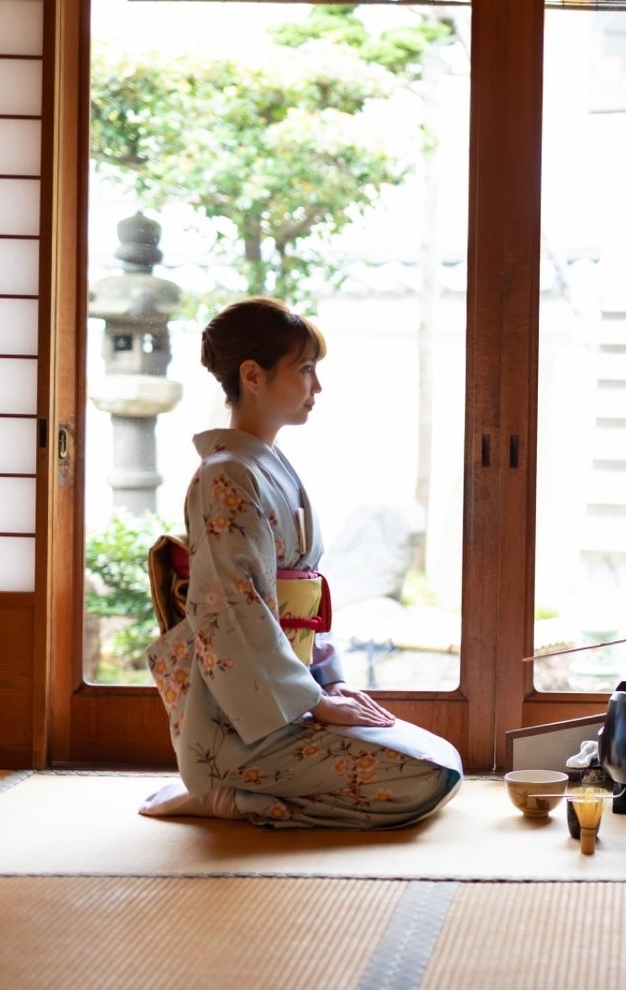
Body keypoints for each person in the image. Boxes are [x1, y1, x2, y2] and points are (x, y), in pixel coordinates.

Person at [139, 297, 462, 828]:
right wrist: (312, 700)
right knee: (423, 778)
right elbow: (233, 613)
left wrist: (329, 684)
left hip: (289, 698)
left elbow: (300, 606)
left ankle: (239, 787)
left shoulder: (265, 469)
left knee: (442, 761)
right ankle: (221, 791)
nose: (318, 387)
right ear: (253, 375)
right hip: (238, 720)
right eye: (306, 370)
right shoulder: (225, 476)